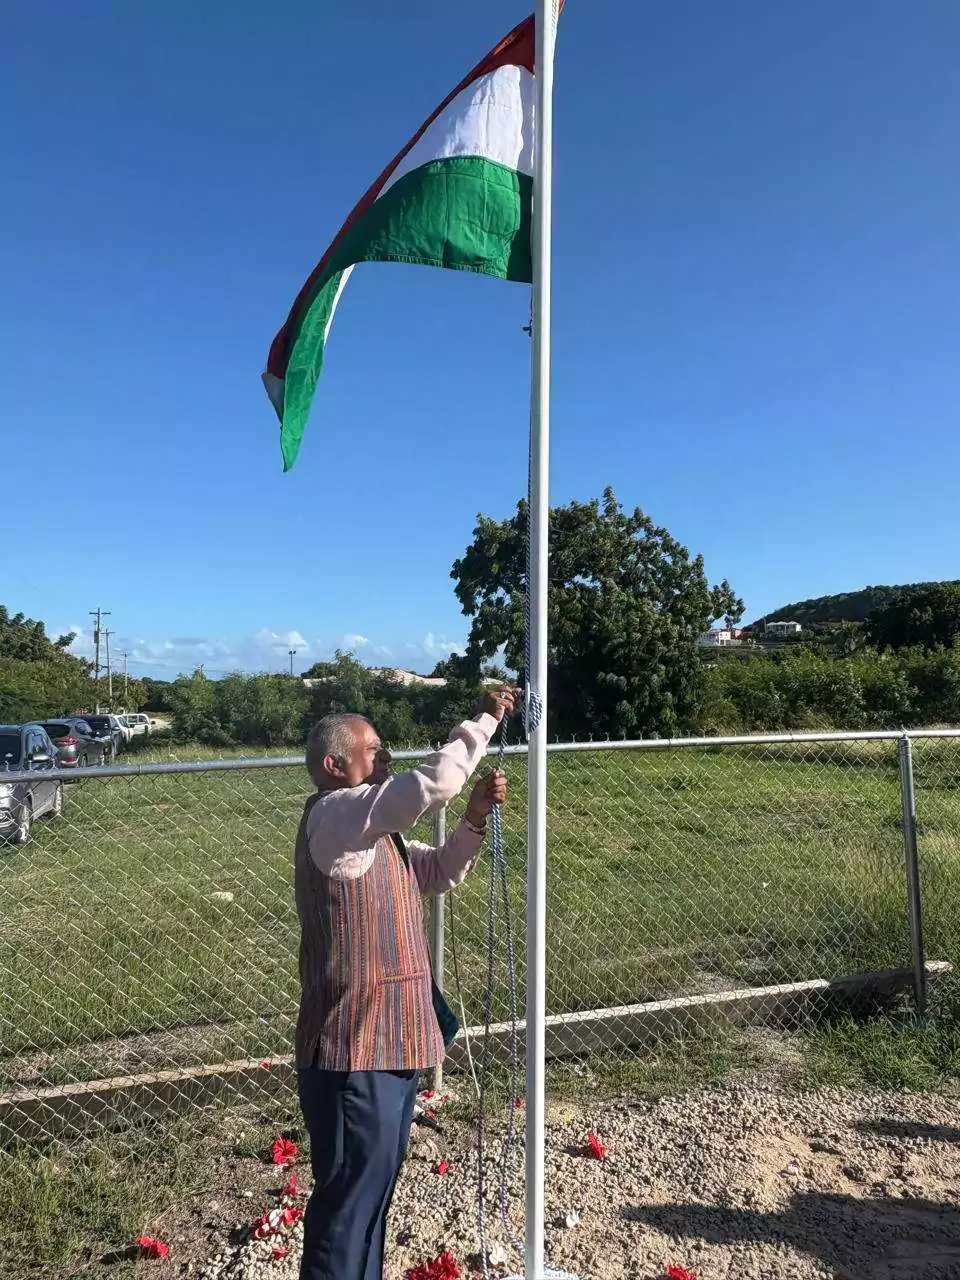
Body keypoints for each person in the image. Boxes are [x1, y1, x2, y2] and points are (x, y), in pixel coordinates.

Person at [294, 687, 516, 1280]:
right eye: (372, 748)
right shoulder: (337, 814)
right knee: (348, 1207)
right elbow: (433, 784)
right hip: (353, 1051)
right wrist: (487, 719)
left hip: (388, 1044)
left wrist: (473, 819)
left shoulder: (370, 833)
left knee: (371, 1199)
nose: (384, 754)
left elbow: (438, 871)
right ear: (334, 765)